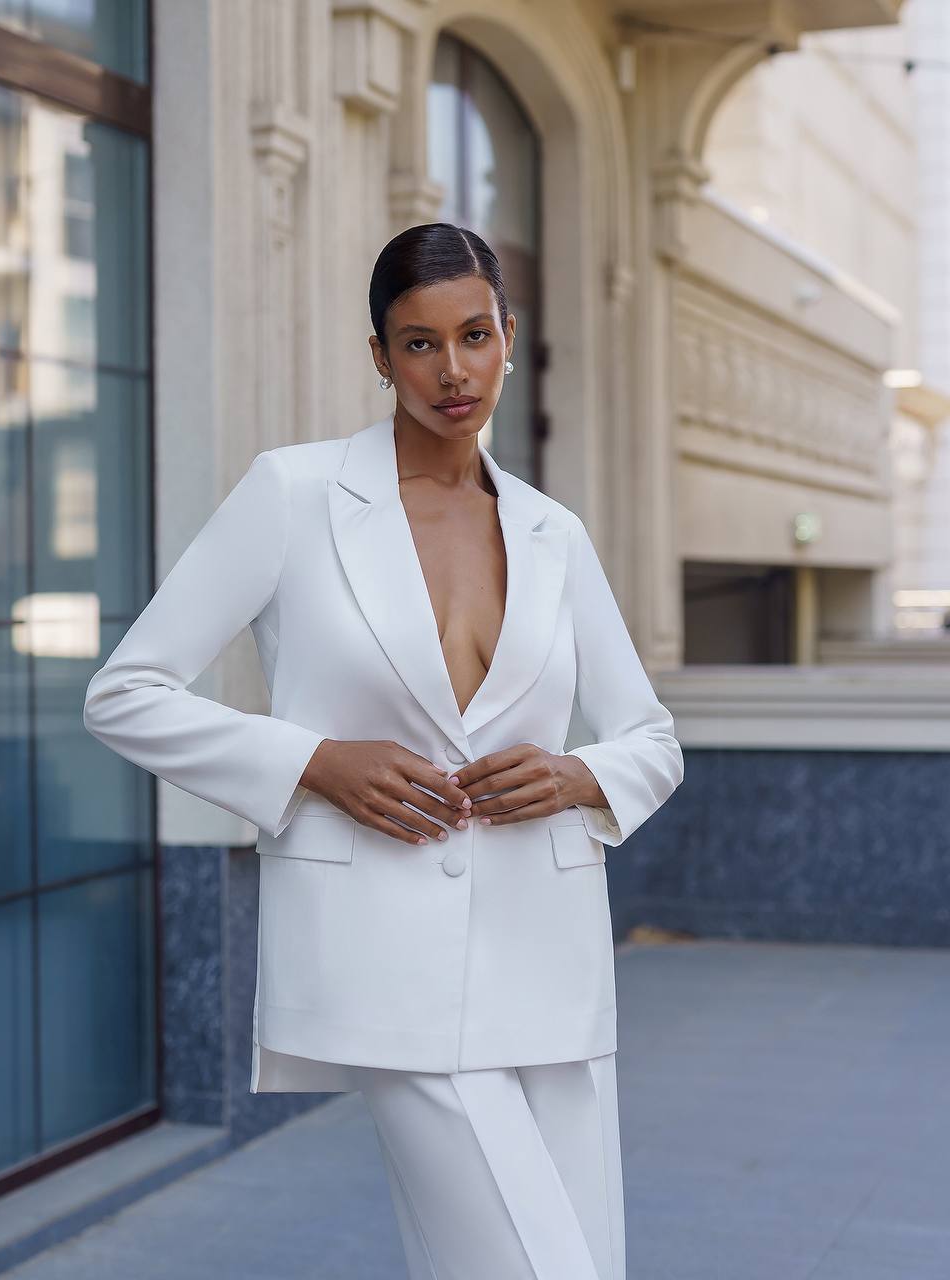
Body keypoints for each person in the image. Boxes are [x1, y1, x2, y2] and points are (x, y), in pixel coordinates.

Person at [83, 222, 683, 1279]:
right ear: (377, 355)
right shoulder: (294, 494)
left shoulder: (554, 531)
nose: (451, 370)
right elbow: (125, 693)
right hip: (380, 953)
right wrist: (311, 759)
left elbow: (650, 735)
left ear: (507, 335)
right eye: (417, 343)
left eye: (473, 335)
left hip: (549, 953)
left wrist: (580, 771)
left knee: (580, 1255)